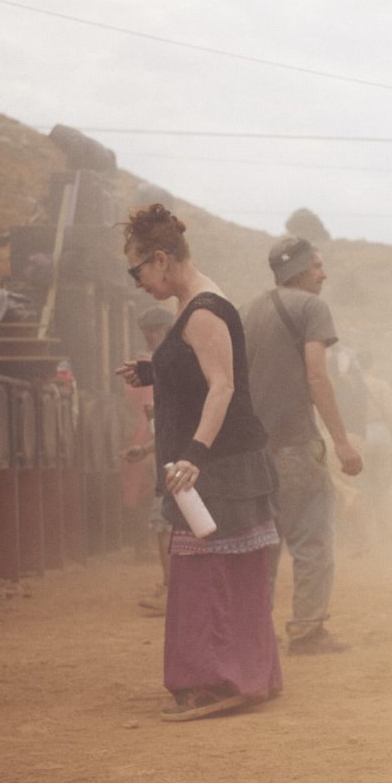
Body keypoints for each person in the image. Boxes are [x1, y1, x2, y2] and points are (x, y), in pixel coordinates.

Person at [116, 204, 281, 722]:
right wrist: (154, 371)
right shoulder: (193, 304)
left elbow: (223, 385)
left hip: (219, 469)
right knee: (221, 574)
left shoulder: (204, 309)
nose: (138, 282)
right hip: (221, 466)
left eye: (137, 271)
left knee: (212, 577)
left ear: (161, 259)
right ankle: (242, 674)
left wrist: (194, 454)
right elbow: (199, 367)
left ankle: (220, 682)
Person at [241, 237, 363, 655]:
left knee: (263, 544)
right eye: (317, 266)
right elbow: (316, 377)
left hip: (253, 452)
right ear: (297, 270)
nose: (323, 274)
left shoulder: (247, 311)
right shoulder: (311, 308)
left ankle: (255, 634)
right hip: (295, 445)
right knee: (312, 540)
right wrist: (342, 443)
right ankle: (308, 631)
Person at [121, 305, 176, 616]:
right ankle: (173, 589)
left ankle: (172, 591)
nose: (149, 339)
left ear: (162, 330)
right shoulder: (169, 364)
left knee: (164, 525)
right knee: (166, 525)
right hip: (171, 460)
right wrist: (143, 451)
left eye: (151, 333)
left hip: (176, 464)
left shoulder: (171, 364)